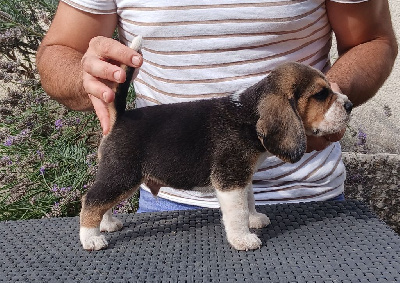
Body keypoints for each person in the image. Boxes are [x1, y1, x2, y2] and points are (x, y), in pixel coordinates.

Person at [36, 0, 397, 212]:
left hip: (306, 196)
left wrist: (326, 101)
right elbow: (58, 52)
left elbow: (373, 39)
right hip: (168, 199)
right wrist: (87, 77)